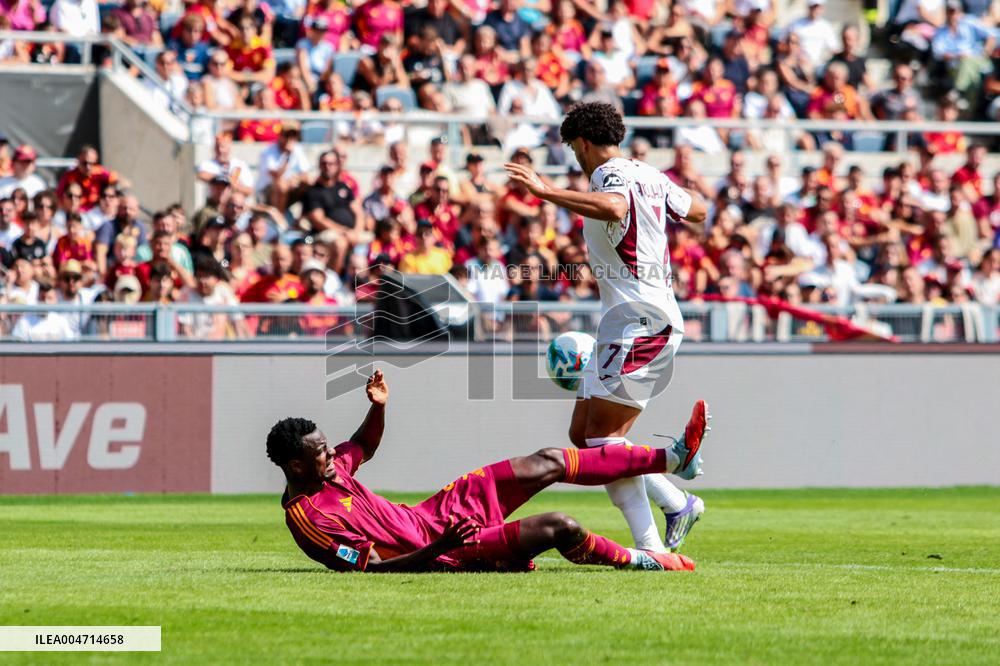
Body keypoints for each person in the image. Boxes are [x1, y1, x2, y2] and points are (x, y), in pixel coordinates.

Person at [503, 102, 711, 554]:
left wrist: (546, 192)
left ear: (581, 144)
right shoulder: (649, 174)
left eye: (573, 151)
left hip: (642, 322)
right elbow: (698, 210)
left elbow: (615, 207)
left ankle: (655, 541)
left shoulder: (606, 176)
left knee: (603, 441)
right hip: (628, 319)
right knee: (584, 435)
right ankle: (676, 503)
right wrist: (662, 193)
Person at [268, 369, 705, 572]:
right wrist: (439, 545)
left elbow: (363, 444)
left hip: (435, 513)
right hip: (446, 547)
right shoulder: (309, 517)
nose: (331, 455)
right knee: (560, 526)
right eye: (322, 452)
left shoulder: (329, 471)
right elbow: (372, 567)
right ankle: (644, 561)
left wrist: (376, 408)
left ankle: (672, 460)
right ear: (295, 465)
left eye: (327, 448)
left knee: (548, 459)